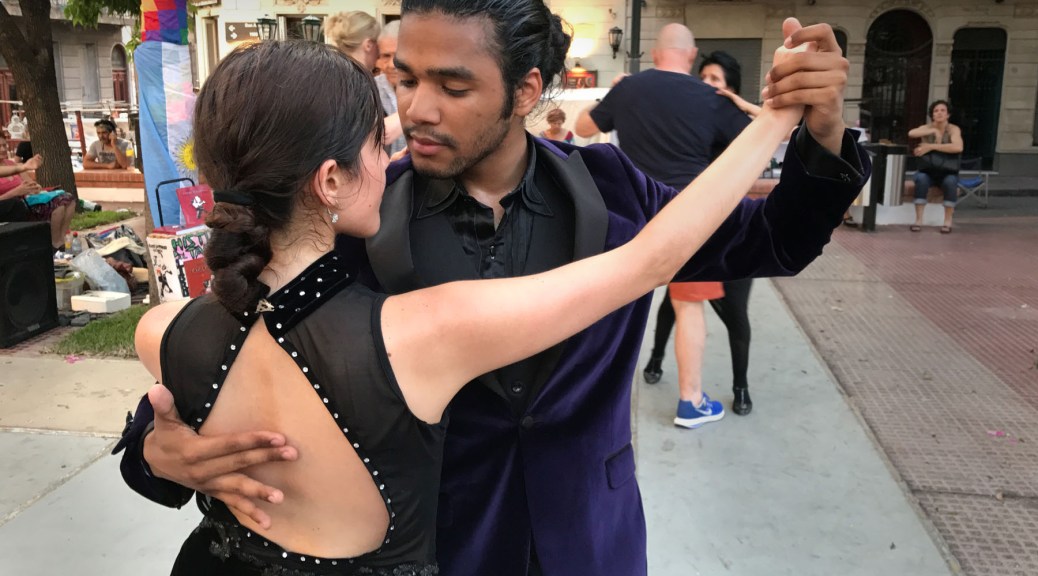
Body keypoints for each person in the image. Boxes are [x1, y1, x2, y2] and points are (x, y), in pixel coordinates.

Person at [115, 3, 868, 575]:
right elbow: (242, 353)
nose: (417, 109)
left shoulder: (614, 190)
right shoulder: (355, 211)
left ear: (525, 89)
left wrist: (823, 130)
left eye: (453, 85)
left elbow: (774, 241)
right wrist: (157, 450)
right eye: (404, 79)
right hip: (439, 546)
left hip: (591, 536)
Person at [576, 26, 752, 425]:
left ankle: (588, 398)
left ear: (655, 54)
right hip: (690, 218)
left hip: (631, 213)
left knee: (607, 303)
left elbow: (584, 127)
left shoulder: (629, 88)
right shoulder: (711, 97)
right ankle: (690, 401)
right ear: (691, 55)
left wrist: (612, 95)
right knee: (688, 307)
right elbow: (753, 143)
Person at [626, 46, 759, 416]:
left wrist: (744, 107)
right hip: (696, 228)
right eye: (703, 78)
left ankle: (741, 386)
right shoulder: (692, 125)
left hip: (731, 231)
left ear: (732, 89)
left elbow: (779, 131)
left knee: (735, 312)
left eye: (716, 79)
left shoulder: (739, 128)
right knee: (678, 301)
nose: (707, 85)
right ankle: (656, 360)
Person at [326, 11, 405, 155]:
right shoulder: (358, 84)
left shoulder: (333, 74)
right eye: (384, 54)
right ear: (369, 45)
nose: (391, 64)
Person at [0, 135, 75, 251]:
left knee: (68, 198)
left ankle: (61, 240)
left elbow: (31, 183)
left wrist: (35, 187)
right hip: (15, 206)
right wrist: (16, 192)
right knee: (58, 205)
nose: (3, 149)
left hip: (28, 199)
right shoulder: (15, 168)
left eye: (4, 145)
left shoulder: (12, 164)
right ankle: (54, 245)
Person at [908, 99, 963, 234]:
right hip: (928, 170)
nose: (939, 113)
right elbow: (911, 133)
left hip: (947, 170)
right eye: (936, 111)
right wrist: (933, 131)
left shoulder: (953, 129)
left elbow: (958, 147)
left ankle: (947, 221)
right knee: (921, 179)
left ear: (948, 114)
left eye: (943, 110)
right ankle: (918, 220)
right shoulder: (927, 128)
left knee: (951, 182)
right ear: (932, 115)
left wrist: (931, 146)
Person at [375, 20, 407, 156]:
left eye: (398, 56)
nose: (391, 65)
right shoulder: (370, 88)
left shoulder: (431, 90)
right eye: (386, 56)